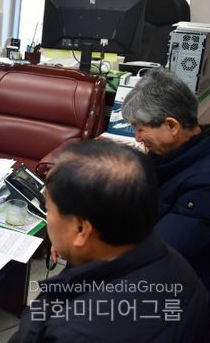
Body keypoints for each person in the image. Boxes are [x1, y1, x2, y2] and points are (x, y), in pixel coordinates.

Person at [11, 140, 209, 342]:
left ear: (81, 230)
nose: (48, 217)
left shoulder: (72, 331)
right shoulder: (174, 263)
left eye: (49, 209)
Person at [121, 68, 210, 290]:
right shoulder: (171, 156)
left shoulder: (202, 186)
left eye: (140, 129)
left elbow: (157, 257)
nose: (137, 138)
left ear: (172, 126)